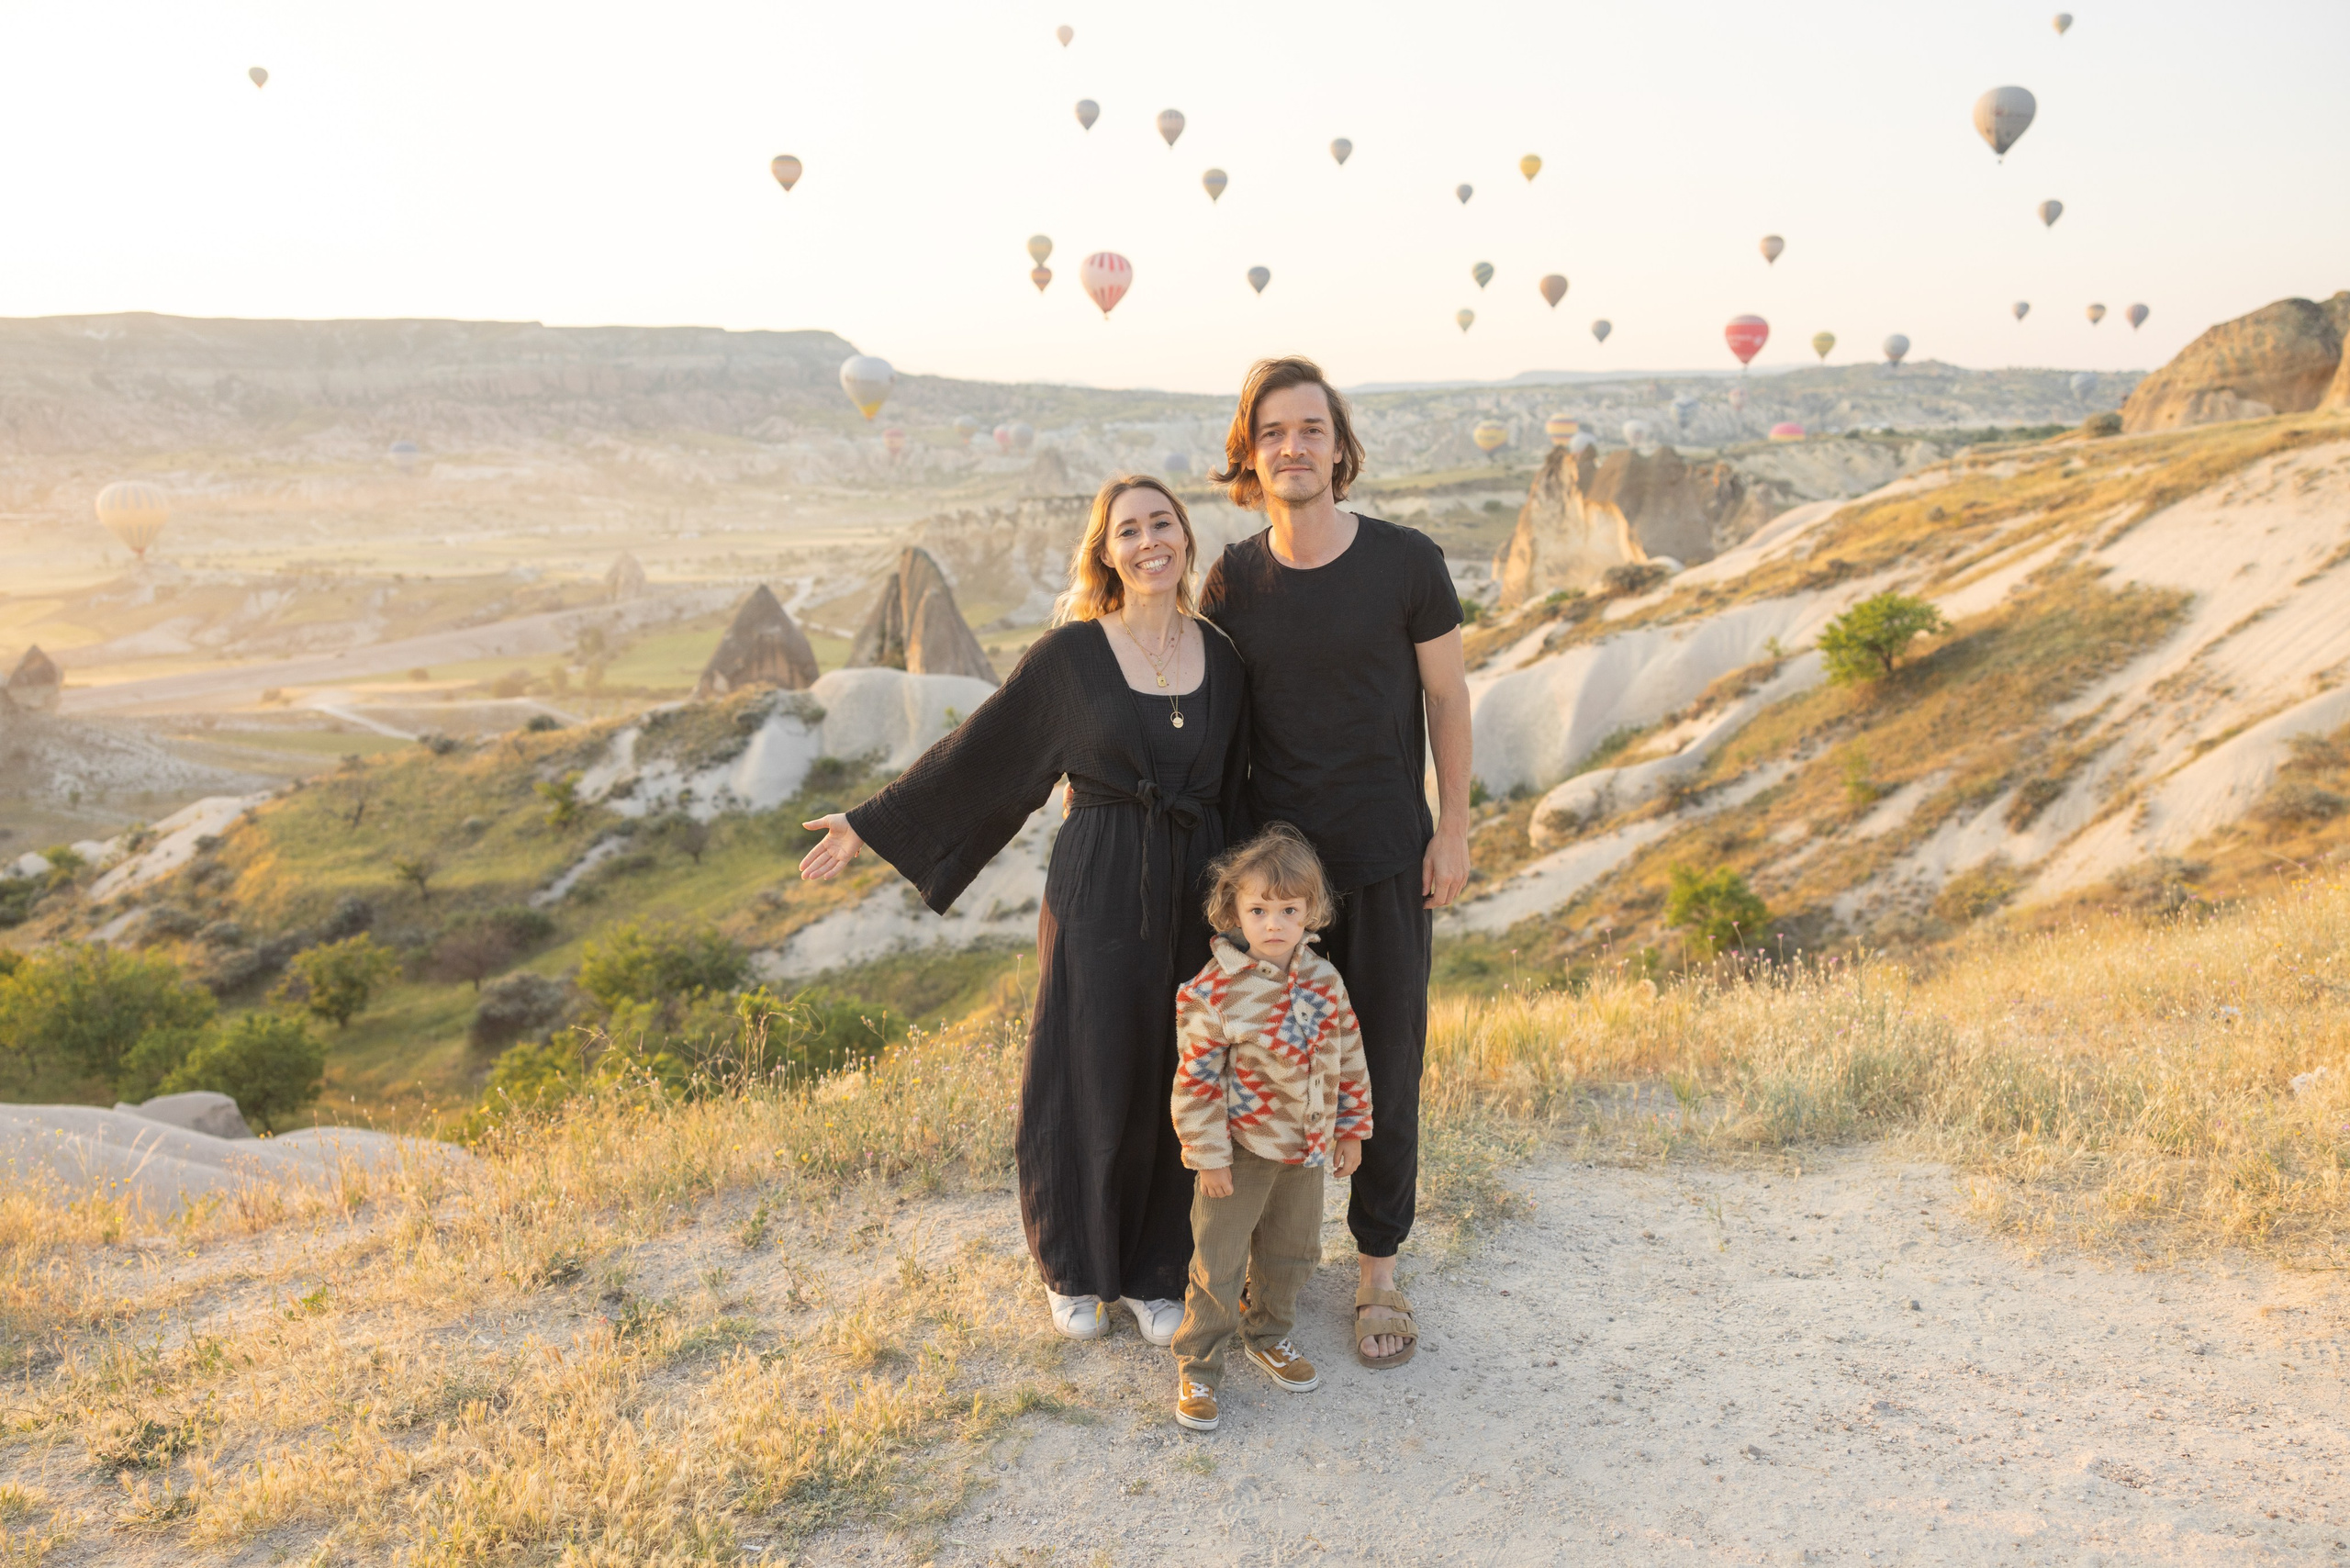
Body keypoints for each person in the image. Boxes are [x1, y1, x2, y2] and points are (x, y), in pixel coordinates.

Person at [799, 475, 1248, 1347]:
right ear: (1106, 552)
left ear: (1187, 540)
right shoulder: (1071, 657)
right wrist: (870, 822)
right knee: (1086, 1062)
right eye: (1129, 530)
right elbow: (985, 753)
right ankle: (1075, 1266)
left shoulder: (1222, 658)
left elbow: (1238, 783)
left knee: (1177, 1067)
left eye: (1164, 524)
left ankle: (1156, 1269)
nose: (1149, 540)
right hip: (1100, 883)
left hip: (1198, 886)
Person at [1200, 355, 1472, 1369]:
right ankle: (1265, 1266)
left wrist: (1454, 830)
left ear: (1338, 446)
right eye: (1272, 432)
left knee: (1386, 1063)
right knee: (1265, 1067)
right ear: (1250, 451)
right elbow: (1213, 719)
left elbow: (1447, 700)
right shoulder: (1233, 577)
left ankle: (1376, 1269)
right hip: (1277, 892)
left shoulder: (1406, 562)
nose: (1292, 447)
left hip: (1392, 859)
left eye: (1310, 429)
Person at [1168, 823, 1370, 1432]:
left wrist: (1350, 1129)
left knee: (1293, 1251)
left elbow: (1350, 1054)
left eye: (1289, 909)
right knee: (1219, 1259)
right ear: (1235, 910)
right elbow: (1195, 1081)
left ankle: (1269, 1333)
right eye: (1259, 909)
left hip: (1304, 1150)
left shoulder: (1322, 983)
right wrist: (1209, 1156)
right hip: (1239, 1153)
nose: (1274, 922)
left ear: (1312, 912)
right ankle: (1200, 1366)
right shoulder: (1214, 993)